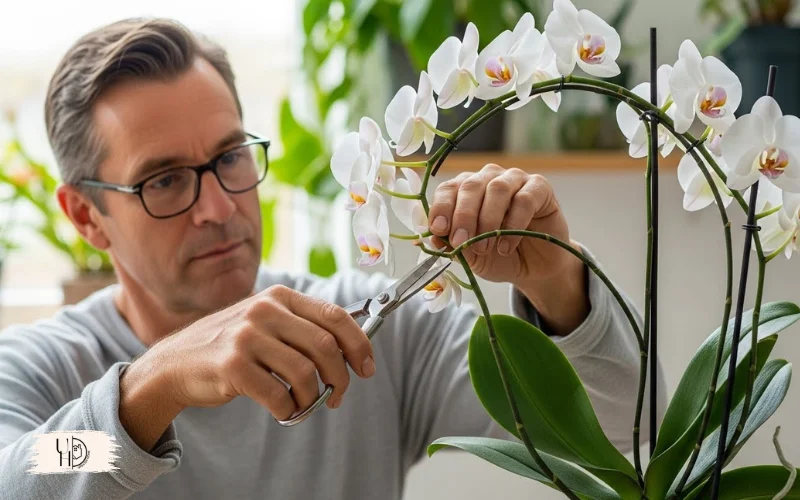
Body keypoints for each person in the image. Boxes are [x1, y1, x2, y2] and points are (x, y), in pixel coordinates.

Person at [0, 17, 665, 500]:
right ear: (87, 216)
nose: (219, 207)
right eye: (166, 180)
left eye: (230, 157)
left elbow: (626, 424)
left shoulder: (369, 331)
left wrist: (555, 277)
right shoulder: (45, 369)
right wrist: (160, 382)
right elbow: (22, 475)